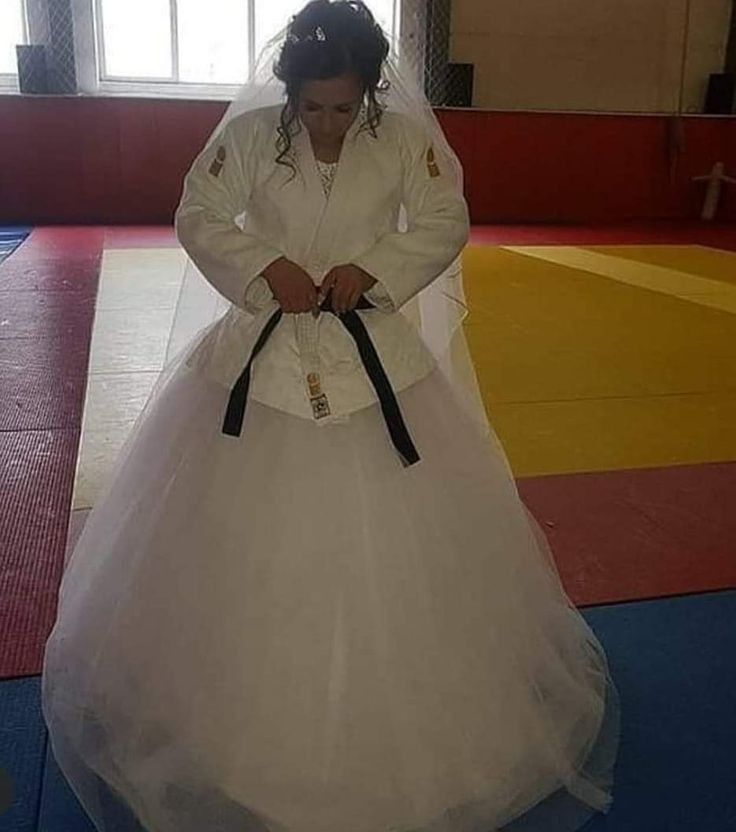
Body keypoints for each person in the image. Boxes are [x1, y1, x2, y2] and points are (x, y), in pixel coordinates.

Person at [41, 2, 620, 831]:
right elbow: (198, 216)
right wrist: (263, 263)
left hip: (368, 356)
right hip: (262, 362)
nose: (328, 123)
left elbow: (444, 217)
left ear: (369, 91)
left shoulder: (401, 142)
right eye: (312, 107)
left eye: (344, 108)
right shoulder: (246, 138)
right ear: (289, 91)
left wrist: (374, 268)